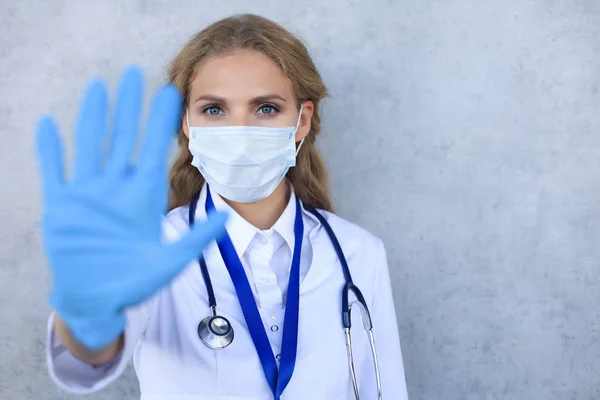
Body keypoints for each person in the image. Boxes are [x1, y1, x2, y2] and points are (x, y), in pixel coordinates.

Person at [37, 13, 409, 400]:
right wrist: (86, 315)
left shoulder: (358, 253)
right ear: (186, 123)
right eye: (214, 109)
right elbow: (82, 364)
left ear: (302, 121)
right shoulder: (151, 251)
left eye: (266, 108)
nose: (240, 133)